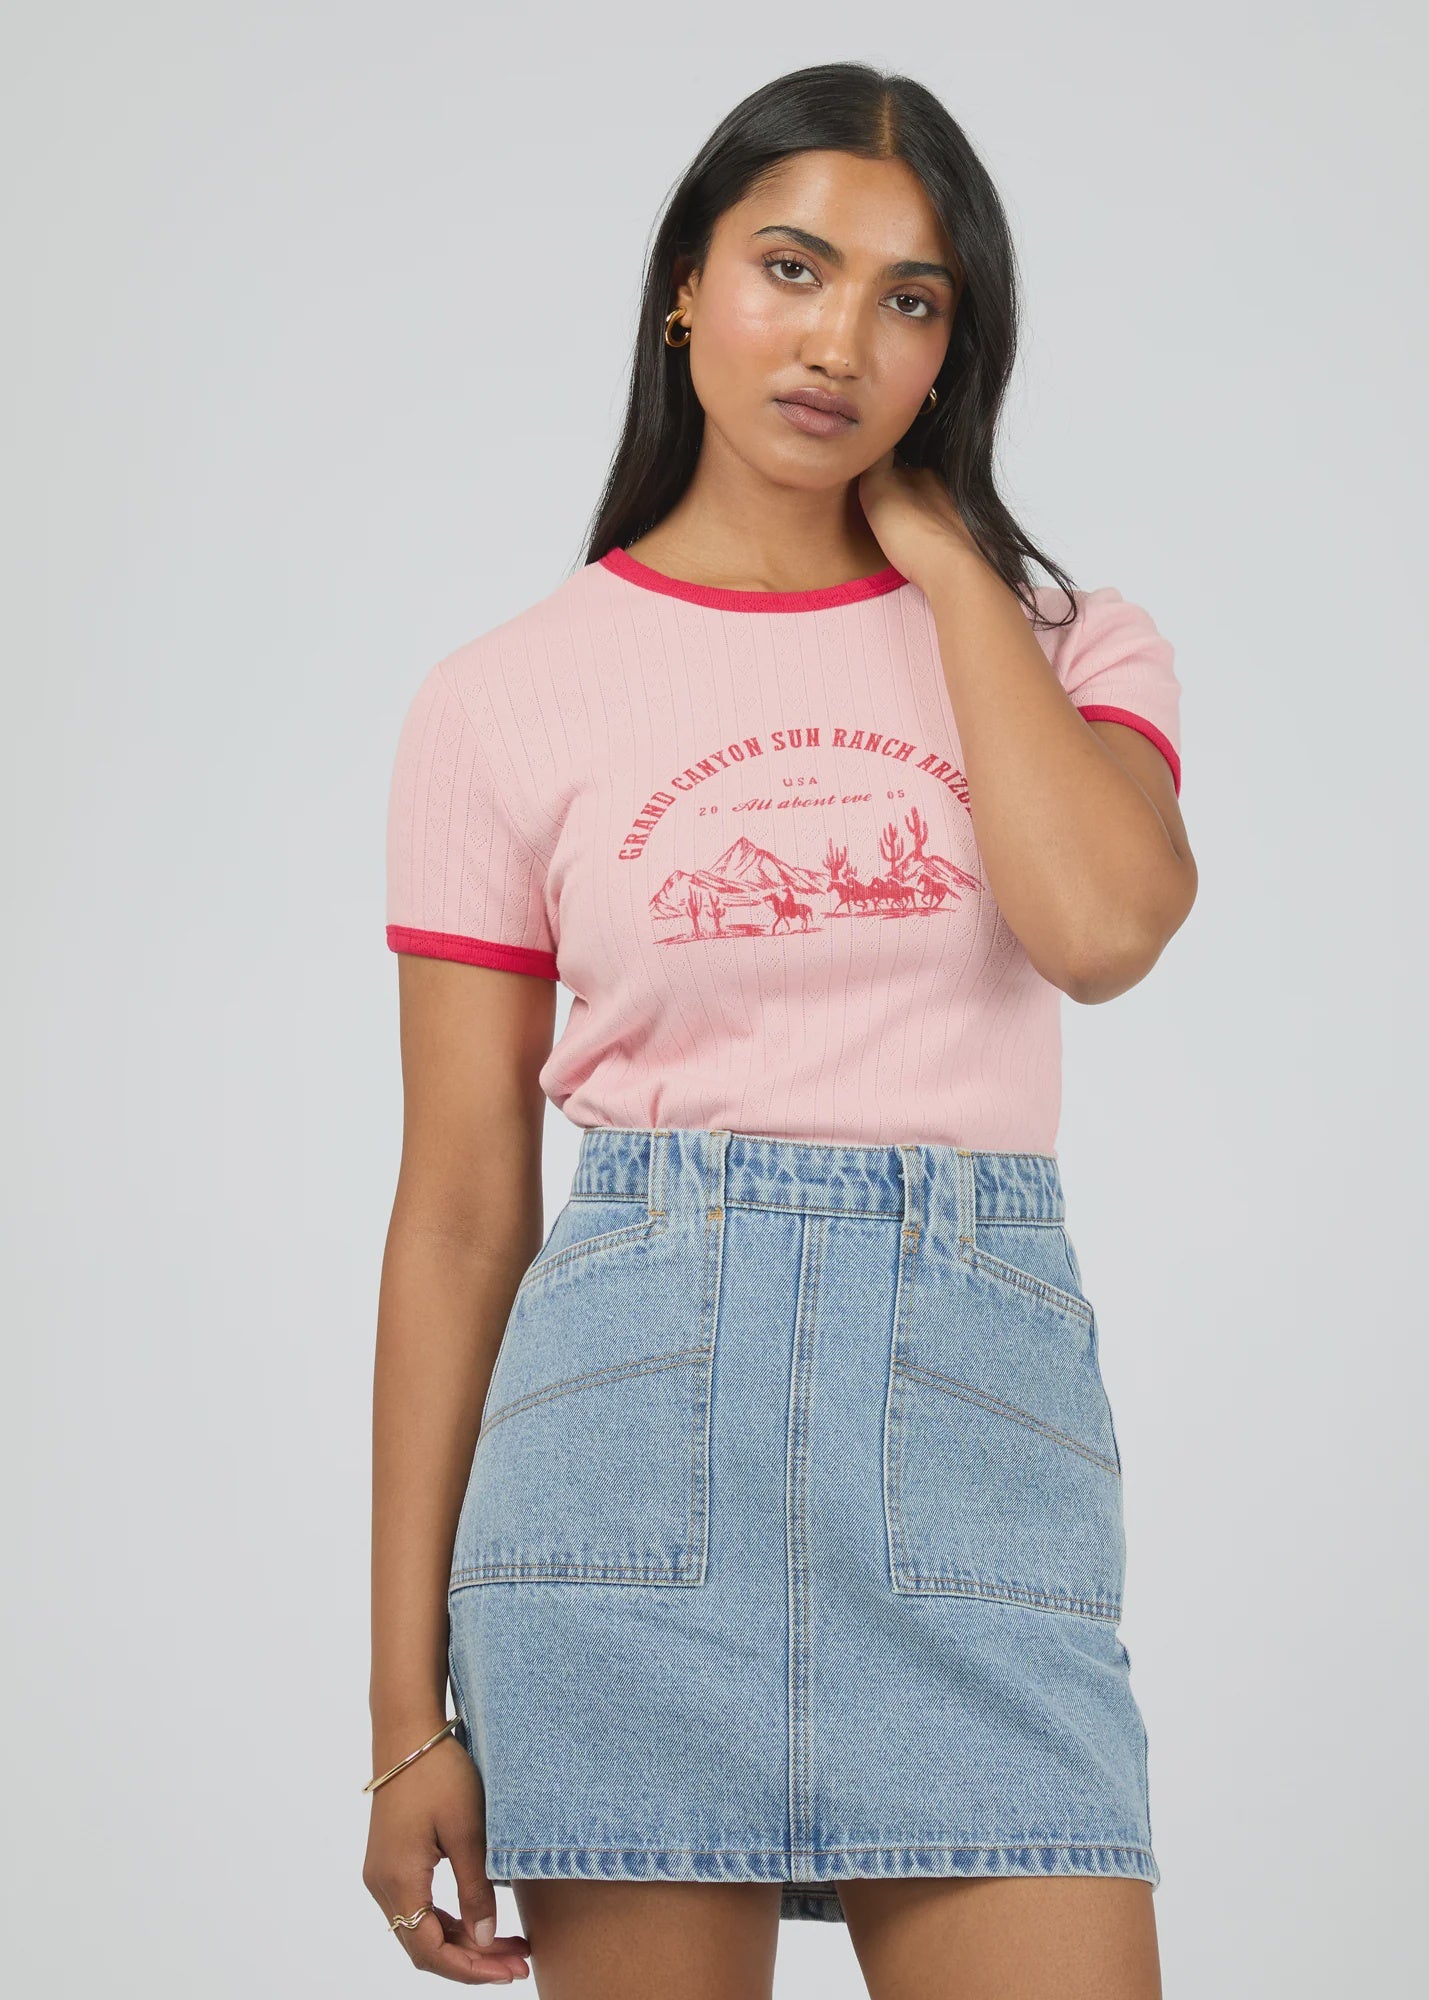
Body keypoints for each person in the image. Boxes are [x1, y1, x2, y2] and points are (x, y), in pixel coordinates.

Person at [363, 60, 1196, 2000]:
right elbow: (460, 1215)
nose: (837, 340)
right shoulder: (503, 698)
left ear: (953, 348)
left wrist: (941, 562)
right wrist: (406, 1716)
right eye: (792, 268)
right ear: (687, 284)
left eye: (909, 299)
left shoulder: (1066, 642)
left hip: (971, 1483)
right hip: (618, 1481)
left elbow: (1099, 929)